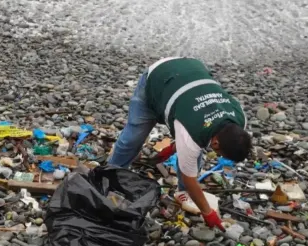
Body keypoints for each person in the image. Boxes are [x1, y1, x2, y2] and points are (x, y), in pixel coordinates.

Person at [108, 57, 252, 231]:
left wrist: (174, 148)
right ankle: (109, 175)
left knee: (194, 148)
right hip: (159, 78)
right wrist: (208, 213)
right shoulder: (193, 131)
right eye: (220, 154)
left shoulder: (239, 120)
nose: (218, 156)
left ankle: (182, 194)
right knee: (133, 138)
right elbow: (190, 176)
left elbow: (190, 139)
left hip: (188, 78)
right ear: (215, 143)